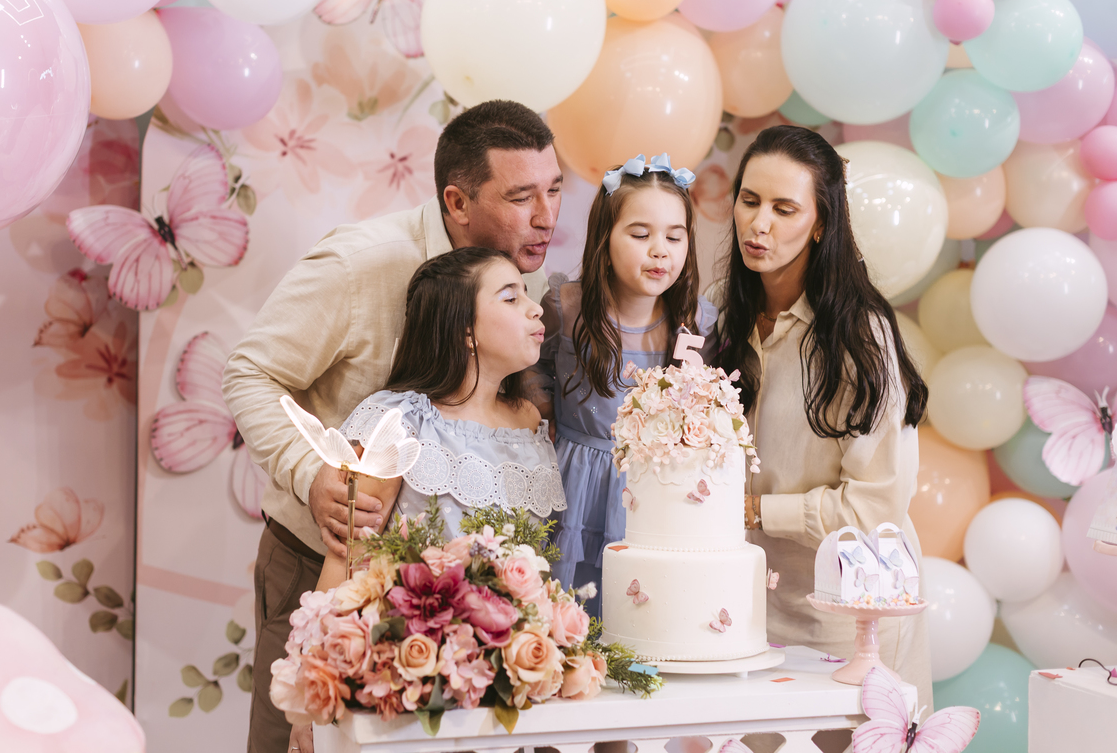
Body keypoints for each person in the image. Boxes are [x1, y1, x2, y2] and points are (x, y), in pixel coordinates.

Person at [222, 100, 562, 753]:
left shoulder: (524, 272)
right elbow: (250, 372)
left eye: (554, 190)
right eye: (521, 197)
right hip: (327, 561)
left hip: (460, 618)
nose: (547, 216)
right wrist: (313, 475)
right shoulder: (361, 264)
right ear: (457, 202)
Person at [295, 247, 566, 752]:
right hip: (411, 687)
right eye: (511, 297)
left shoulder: (529, 420)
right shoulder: (397, 421)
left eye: (527, 294)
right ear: (465, 330)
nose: (535, 309)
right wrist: (311, 703)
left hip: (504, 692)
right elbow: (346, 560)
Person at [706, 125, 933, 708]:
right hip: (741, 608)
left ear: (821, 223)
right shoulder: (725, 322)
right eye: (750, 200)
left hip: (847, 618)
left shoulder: (861, 339)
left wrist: (757, 511)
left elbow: (874, 507)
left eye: (784, 209)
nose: (759, 224)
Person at [536, 154, 714, 613]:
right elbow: (532, 371)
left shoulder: (694, 320)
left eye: (674, 236)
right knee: (573, 607)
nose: (660, 251)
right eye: (640, 234)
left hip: (654, 489)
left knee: (639, 609)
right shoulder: (566, 306)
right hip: (575, 482)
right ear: (605, 238)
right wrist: (543, 413)